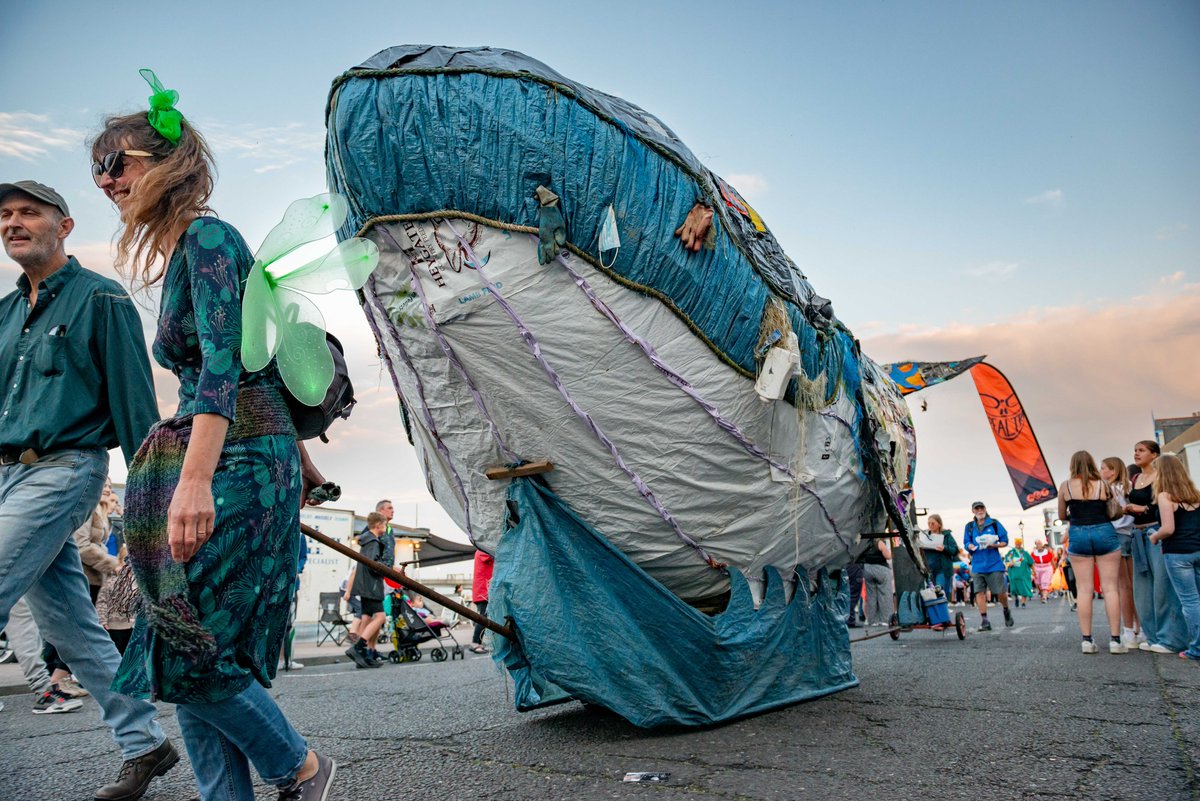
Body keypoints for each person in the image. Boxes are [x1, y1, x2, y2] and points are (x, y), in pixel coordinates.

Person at [92, 74, 335, 800]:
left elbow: (225, 368)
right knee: (195, 645)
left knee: (185, 647)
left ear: (165, 163)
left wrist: (194, 482)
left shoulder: (208, 236)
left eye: (119, 163)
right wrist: (308, 467)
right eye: (99, 169)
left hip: (230, 463)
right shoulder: (188, 253)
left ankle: (302, 767)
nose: (107, 180)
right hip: (235, 453)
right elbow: (249, 363)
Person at [0, 179, 177, 798]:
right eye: (5, 215)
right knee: (72, 625)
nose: (14, 222)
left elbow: (135, 404)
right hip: (5, 477)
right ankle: (146, 743)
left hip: (64, 470)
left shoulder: (101, 300)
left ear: (64, 226)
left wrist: (155, 504)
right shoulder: (3, 313)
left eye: (29, 212)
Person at [1057, 451, 1126, 654]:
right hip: (1104, 531)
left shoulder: (1066, 486)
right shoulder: (1102, 485)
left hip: (1078, 533)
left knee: (1084, 589)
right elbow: (1111, 509)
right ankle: (1115, 640)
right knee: (1111, 588)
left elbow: (1062, 515)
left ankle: (1087, 640)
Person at [1125, 440, 1189, 654]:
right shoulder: (1135, 478)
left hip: (1155, 532)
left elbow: (1163, 506)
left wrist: (1141, 508)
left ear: (1154, 454)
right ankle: (1152, 636)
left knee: (1162, 587)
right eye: (1135, 450)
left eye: (1141, 450)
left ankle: (1170, 638)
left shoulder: (1160, 477)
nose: (1136, 453)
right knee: (1142, 589)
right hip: (1137, 534)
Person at [1148, 455, 1200, 661]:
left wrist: (1154, 536)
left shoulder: (1165, 496)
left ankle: (1196, 648)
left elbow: (1168, 528)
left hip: (1178, 554)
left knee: (1190, 601)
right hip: (1198, 550)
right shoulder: (1196, 496)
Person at [1101, 457, 1140, 646]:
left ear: (1112, 471)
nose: (1100, 471)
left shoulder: (1111, 490)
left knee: (1122, 587)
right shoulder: (1127, 488)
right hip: (1130, 533)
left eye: (1103, 468)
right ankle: (1140, 628)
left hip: (1116, 534)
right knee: (1134, 584)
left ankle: (1128, 630)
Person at [344, 513, 388, 669]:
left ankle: (362, 656)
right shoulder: (373, 542)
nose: (386, 528)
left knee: (366, 617)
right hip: (371, 586)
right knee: (381, 617)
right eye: (385, 525)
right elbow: (373, 564)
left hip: (364, 585)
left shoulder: (366, 541)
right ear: (378, 525)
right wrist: (386, 569)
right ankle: (358, 648)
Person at [963, 501, 1014, 631]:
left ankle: (1006, 609)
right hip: (978, 565)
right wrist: (969, 546)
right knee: (979, 592)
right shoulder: (969, 526)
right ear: (973, 511)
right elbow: (966, 542)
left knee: (1000, 592)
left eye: (981, 508)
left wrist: (994, 545)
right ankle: (985, 620)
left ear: (985, 509)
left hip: (994, 564)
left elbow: (1005, 541)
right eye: (977, 509)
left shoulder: (994, 523)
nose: (979, 510)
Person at [920, 514, 958, 604]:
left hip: (942, 569)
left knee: (940, 590)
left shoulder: (946, 535)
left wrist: (944, 548)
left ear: (939, 524)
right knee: (930, 594)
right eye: (929, 523)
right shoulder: (924, 535)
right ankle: (936, 615)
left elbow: (955, 550)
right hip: (929, 569)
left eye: (933, 523)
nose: (930, 525)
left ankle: (943, 613)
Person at [858, 537, 893, 626]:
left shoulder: (864, 542)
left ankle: (872, 620)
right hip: (880, 568)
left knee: (871, 596)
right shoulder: (879, 542)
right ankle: (885, 619)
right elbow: (887, 556)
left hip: (867, 568)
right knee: (885, 594)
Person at [471, 549, 495, 653]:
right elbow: (495, 555)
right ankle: (475, 643)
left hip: (483, 591)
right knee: (483, 618)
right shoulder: (483, 550)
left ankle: (479, 643)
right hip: (483, 591)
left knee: (486, 617)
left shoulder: (480, 550)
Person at [1004, 538, 1034, 608]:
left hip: (1024, 574)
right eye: (1017, 543)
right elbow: (1007, 562)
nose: (1018, 545)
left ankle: (1023, 602)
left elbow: (1031, 563)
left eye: (1019, 543)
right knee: (1014, 588)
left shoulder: (1025, 553)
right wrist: (1009, 564)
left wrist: (1034, 572)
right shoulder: (1011, 552)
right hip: (1014, 574)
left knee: (1025, 587)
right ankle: (1016, 597)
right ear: (1015, 544)